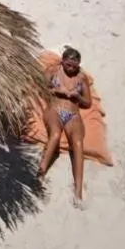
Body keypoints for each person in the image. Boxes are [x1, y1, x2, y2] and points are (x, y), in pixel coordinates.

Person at [38, 45, 92, 206]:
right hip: (55, 109)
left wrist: (78, 97)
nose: (71, 69)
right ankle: (40, 172)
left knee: (78, 144)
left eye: (75, 66)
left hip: (73, 115)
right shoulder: (53, 70)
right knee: (55, 134)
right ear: (63, 61)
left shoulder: (81, 78)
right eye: (68, 65)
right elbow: (42, 89)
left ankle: (78, 192)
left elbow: (87, 102)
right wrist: (57, 90)